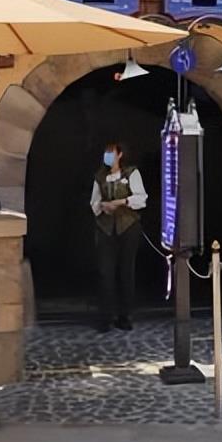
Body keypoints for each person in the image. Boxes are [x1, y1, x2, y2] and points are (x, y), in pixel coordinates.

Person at [91, 140, 147, 332]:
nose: (108, 156)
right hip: (106, 228)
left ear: (120, 154)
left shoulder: (131, 173)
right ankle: (105, 316)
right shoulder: (100, 177)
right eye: (106, 153)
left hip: (127, 227)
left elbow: (141, 198)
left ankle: (125, 315)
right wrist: (103, 207)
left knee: (126, 271)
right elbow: (94, 202)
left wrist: (122, 202)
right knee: (105, 273)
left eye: (111, 152)